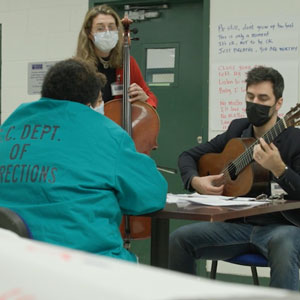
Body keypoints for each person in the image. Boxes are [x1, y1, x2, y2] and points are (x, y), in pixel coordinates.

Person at [0, 58, 167, 262]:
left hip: (14, 264)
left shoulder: (9, 127)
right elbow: (151, 196)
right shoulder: (107, 133)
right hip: (85, 266)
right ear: (92, 100)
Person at [169, 66, 300, 290]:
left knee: (285, 244)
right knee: (178, 239)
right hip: (236, 227)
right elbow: (188, 156)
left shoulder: (295, 140)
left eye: (263, 98)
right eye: (250, 97)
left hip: (281, 228)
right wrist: (195, 181)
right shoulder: (237, 129)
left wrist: (280, 170)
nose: (255, 103)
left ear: (278, 103)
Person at [76, 4, 157, 108]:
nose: (107, 32)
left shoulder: (128, 63)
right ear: (89, 34)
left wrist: (145, 98)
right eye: (100, 28)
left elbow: (150, 98)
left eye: (111, 27)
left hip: (119, 124)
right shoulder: (78, 68)